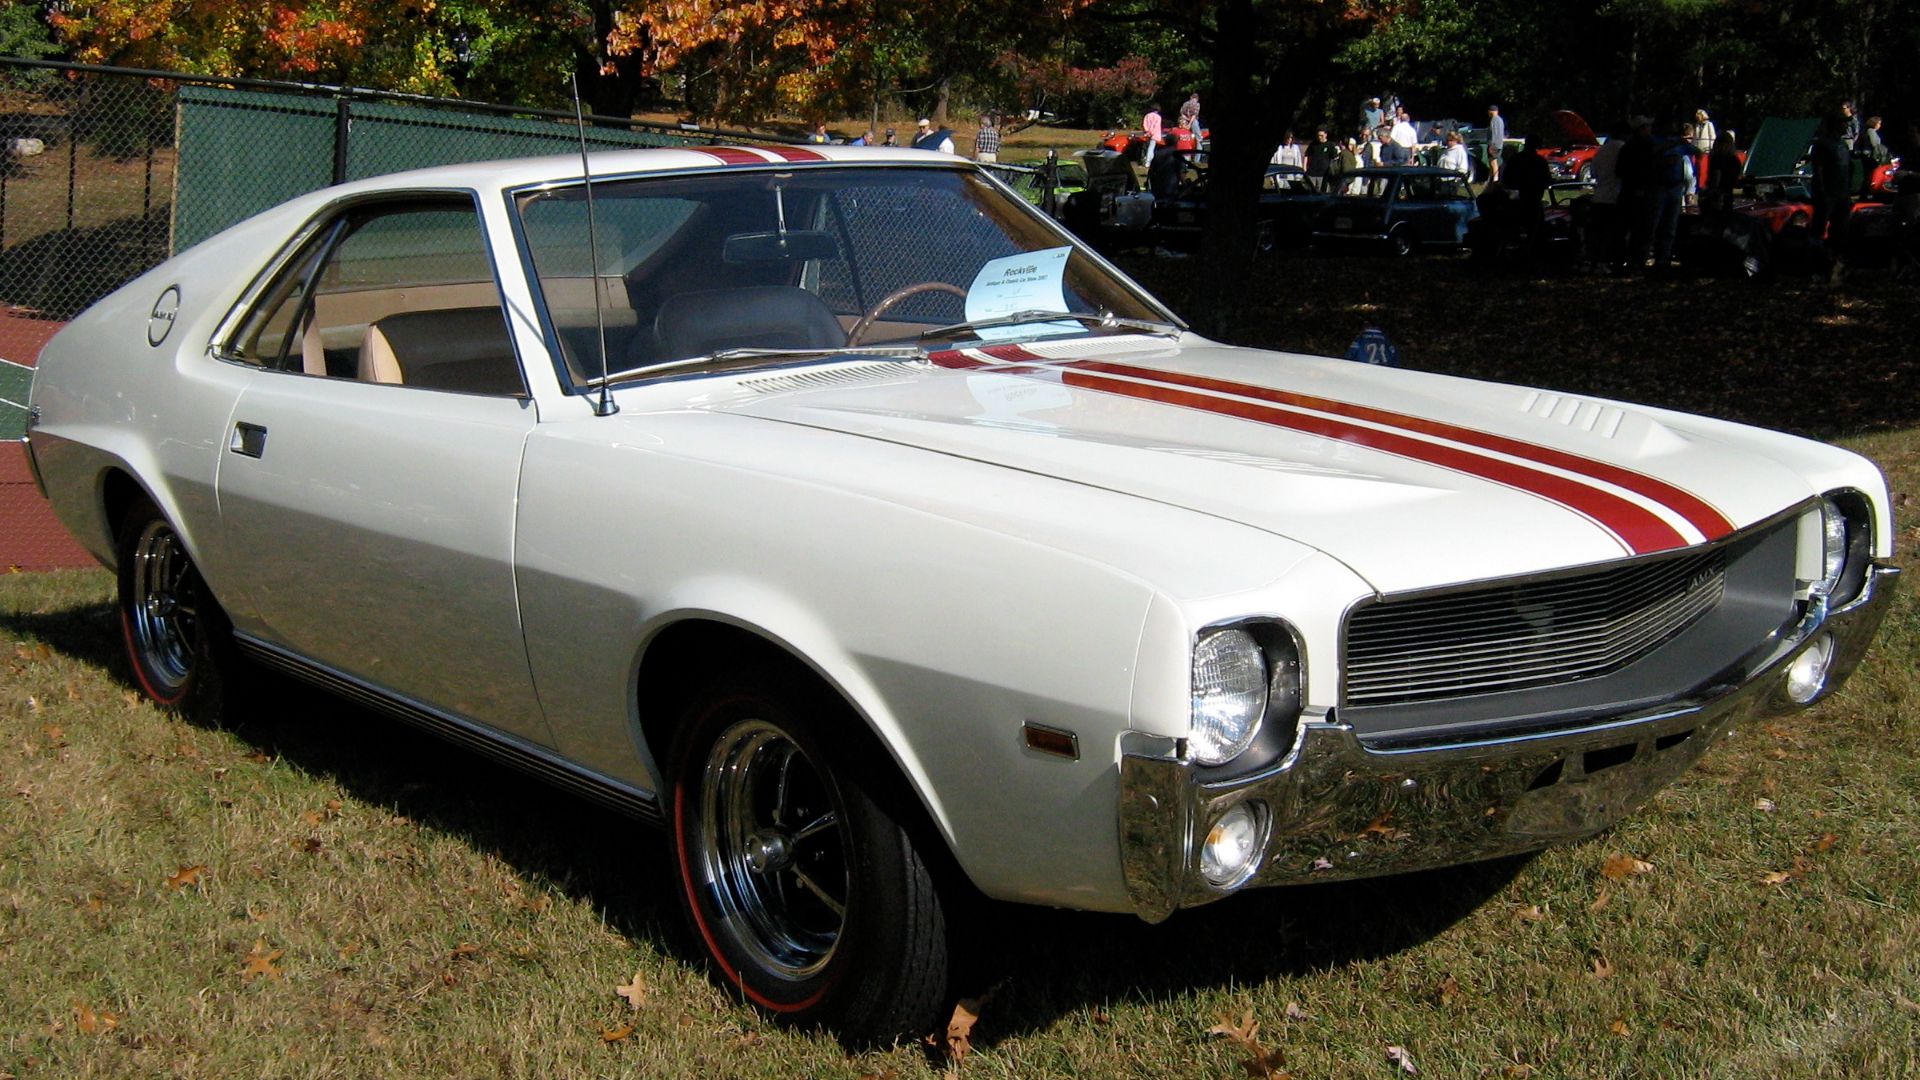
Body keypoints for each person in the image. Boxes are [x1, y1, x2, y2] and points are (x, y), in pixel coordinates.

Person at [1692, 108, 1716, 195]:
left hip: (1706, 150)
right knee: (1697, 168)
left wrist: (1711, 149)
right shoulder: (1697, 125)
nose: (1697, 117)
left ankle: (1703, 185)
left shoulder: (1709, 124)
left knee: (1704, 168)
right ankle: (1697, 186)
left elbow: (1712, 137)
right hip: (1697, 150)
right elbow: (1695, 138)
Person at [1487, 104, 1507, 181]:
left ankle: (1495, 178)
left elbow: (1494, 133)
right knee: (1492, 161)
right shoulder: (1500, 120)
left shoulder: (1494, 120)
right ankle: (1490, 178)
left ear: (1490, 112)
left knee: (1493, 162)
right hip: (1499, 144)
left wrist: (1492, 145)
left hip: (1494, 144)